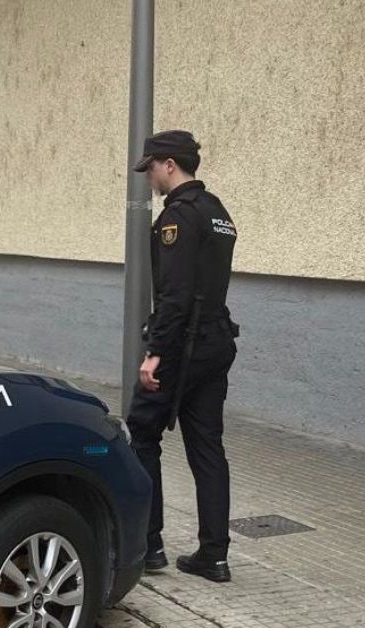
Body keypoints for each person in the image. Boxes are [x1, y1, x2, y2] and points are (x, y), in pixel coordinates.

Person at [125, 129, 241, 583]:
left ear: (169, 165)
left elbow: (173, 296)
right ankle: (214, 556)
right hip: (216, 343)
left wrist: (154, 354)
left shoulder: (178, 218)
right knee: (207, 446)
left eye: (151, 168)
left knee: (143, 434)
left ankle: (148, 545)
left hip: (182, 347)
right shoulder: (218, 213)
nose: (149, 177)